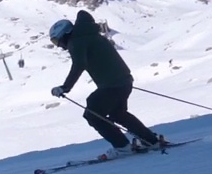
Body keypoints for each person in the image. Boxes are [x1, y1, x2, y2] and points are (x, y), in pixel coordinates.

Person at [49, 10, 165, 159]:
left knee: (92, 114)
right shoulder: (92, 35)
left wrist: (65, 87)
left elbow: (79, 64)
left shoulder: (76, 41)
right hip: (124, 81)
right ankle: (151, 141)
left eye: (56, 41)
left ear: (64, 34)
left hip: (111, 85)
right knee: (118, 114)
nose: (59, 46)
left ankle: (122, 147)